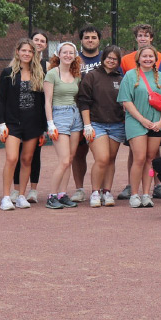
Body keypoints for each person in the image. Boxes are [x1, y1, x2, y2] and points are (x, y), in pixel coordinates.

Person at [0, 39, 46, 211]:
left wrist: (43, 128)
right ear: (17, 51)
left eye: (30, 51)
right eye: (23, 50)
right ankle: (6, 197)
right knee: (12, 158)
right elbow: (1, 100)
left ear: (34, 54)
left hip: (33, 123)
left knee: (27, 159)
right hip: (12, 123)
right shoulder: (8, 73)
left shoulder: (39, 73)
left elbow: (42, 102)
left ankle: (21, 196)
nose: (27, 54)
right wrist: (1, 123)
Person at [120, 45, 161, 208]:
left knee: (151, 159)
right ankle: (134, 194)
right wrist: (142, 120)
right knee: (139, 158)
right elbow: (126, 101)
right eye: (144, 56)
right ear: (139, 58)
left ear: (155, 59)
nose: (148, 59)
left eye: (151, 56)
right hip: (136, 122)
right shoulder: (130, 75)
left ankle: (146, 194)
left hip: (156, 122)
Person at [76, 46, 126, 208]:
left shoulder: (121, 79)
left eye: (115, 59)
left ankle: (107, 191)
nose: (111, 61)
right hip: (96, 124)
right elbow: (84, 101)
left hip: (116, 124)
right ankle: (95, 192)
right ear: (103, 58)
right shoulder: (92, 76)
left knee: (111, 159)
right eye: (109, 57)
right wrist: (87, 125)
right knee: (102, 158)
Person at [42, 42, 82, 209]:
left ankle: (62, 194)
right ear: (58, 55)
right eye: (64, 52)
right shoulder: (52, 74)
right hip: (59, 115)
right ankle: (51, 196)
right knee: (64, 160)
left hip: (75, 116)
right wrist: (50, 123)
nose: (68, 55)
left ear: (75, 55)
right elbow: (47, 101)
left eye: (71, 52)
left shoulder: (76, 74)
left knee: (70, 159)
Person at [12, 31, 51, 203]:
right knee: (16, 155)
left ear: (46, 45)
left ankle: (33, 190)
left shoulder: (47, 66)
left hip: (36, 118)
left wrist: (45, 125)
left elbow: (46, 96)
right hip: (18, 119)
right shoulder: (17, 65)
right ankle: (16, 189)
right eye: (36, 40)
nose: (39, 43)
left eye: (42, 41)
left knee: (34, 155)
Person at [71, 25, 104, 203]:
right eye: (86, 37)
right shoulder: (74, 59)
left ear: (99, 40)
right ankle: (79, 189)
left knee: (104, 155)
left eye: (93, 37)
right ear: (81, 40)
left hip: (102, 111)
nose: (90, 40)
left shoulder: (106, 58)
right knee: (78, 153)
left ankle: (103, 189)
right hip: (78, 110)